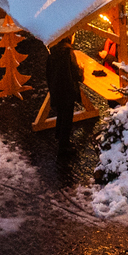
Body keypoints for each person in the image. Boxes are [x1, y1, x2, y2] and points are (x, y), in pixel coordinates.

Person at [45, 40, 81, 169]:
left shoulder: (53, 50)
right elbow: (74, 73)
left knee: (61, 113)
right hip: (67, 91)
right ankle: (64, 146)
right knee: (67, 118)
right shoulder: (67, 52)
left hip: (57, 90)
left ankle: (59, 135)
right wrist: (80, 72)